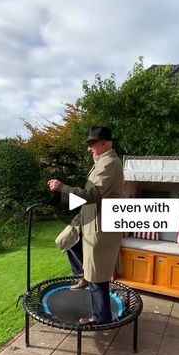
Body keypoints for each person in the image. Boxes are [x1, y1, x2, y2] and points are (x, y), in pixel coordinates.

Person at [48, 126, 123, 324]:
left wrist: (62, 188)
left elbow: (92, 195)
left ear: (105, 143)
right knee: (65, 240)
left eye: (92, 144)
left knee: (98, 274)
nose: (89, 148)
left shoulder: (110, 163)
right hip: (86, 216)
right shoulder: (101, 162)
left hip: (100, 222)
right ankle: (84, 273)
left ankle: (101, 318)